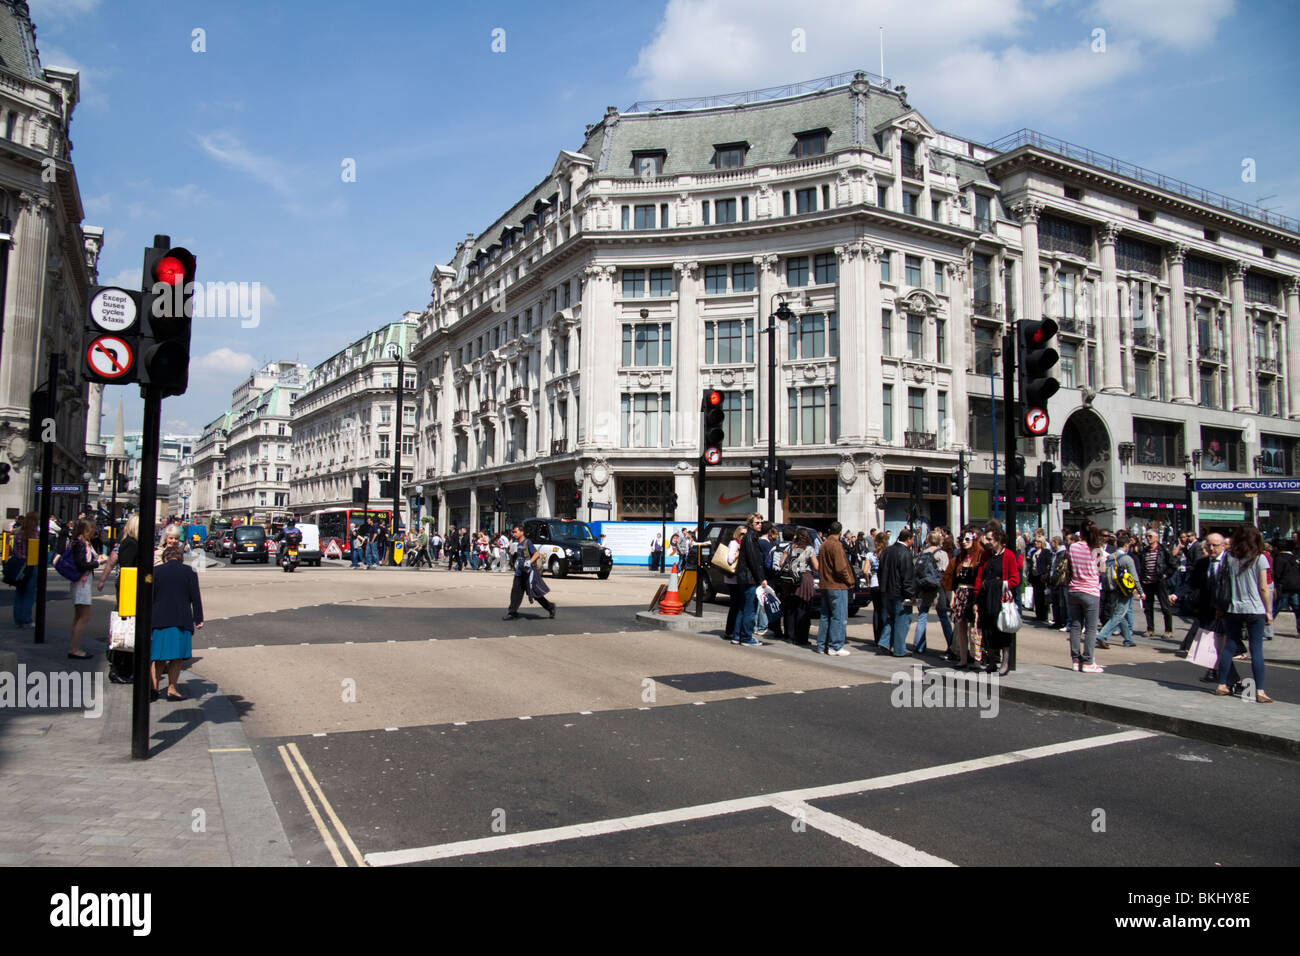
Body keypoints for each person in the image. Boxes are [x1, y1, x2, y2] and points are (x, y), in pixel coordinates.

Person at [1214, 526, 1273, 702]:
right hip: (1255, 609)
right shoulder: (1260, 558)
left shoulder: (1229, 557)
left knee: (1230, 646)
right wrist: (1269, 611)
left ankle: (1222, 684)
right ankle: (1260, 691)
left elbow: (1222, 582)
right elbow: (1264, 587)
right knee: (1256, 649)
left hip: (1233, 608)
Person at [149, 543, 204, 702]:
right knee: (176, 658)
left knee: (157, 657)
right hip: (181, 620)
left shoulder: (156, 571)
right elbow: (195, 597)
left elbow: (150, 597)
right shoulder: (189, 572)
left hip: (159, 620)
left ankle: (153, 688)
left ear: (164, 558)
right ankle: (172, 688)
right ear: (180, 558)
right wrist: (198, 618)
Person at [98, 515, 141, 683]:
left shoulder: (130, 543)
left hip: (128, 586)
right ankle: (118, 668)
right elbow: (128, 569)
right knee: (125, 628)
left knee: (127, 627)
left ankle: (124, 667)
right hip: (128, 588)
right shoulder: (130, 544)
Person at [974, 527, 1020, 675]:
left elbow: (1015, 579)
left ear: (998, 540)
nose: (987, 542)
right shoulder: (986, 555)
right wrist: (976, 597)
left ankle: (1005, 661)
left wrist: (1000, 583)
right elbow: (980, 576)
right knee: (987, 630)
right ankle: (992, 660)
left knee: (1002, 629)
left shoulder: (1008, 556)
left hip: (1000, 599)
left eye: (990, 539)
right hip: (986, 597)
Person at [1066, 520, 1105, 673]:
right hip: (1091, 591)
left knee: (1076, 626)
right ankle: (1088, 661)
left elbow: (1071, 564)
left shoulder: (1073, 547)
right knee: (1090, 628)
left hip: (1074, 589)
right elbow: (1101, 569)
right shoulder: (1097, 550)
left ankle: (1076, 660)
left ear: (1080, 532)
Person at [812, 521, 855, 655]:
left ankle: (821, 645)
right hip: (837, 585)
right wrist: (850, 580)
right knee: (839, 616)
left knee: (825, 616)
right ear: (840, 532)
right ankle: (835, 646)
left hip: (825, 584)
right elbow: (841, 568)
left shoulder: (823, 545)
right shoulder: (836, 545)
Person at [67, 519, 107, 660]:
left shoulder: (84, 542)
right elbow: (81, 564)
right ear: (85, 529)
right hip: (81, 583)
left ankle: (74, 646)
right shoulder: (80, 543)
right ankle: (74, 648)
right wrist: (98, 563)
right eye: (92, 528)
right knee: (84, 616)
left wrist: (97, 559)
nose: (94, 531)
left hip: (82, 582)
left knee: (79, 616)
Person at [944, 529, 983, 668]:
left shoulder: (979, 557)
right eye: (963, 540)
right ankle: (963, 658)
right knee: (961, 628)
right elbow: (954, 581)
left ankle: (977, 659)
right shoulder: (960, 558)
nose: (964, 542)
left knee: (975, 629)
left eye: (967, 539)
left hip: (973, 594)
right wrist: (953, 598)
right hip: (960, 593)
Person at [1097, 531, 1143, 647]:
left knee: (1120, 613)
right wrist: (1141, 592)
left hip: (1113, 588)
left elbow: (1102, 571)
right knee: (1119, 614)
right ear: (1127, 545)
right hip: (1125, 589)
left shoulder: (1110, 557)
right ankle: (1102, 635)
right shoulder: (1127, 558)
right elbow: (1134, 576)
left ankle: (1128, 639)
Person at [911, 530, 952, 655]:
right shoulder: (941, 553)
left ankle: (919, 646)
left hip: (924, 587)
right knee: (943, 617)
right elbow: (946, 571)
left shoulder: (923, 553)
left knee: (922, 616)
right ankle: (951, 645)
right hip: (938, 588)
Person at [876, 528, 916, 657]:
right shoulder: (905, 553)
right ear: (909, 539)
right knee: (903, 620)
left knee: (891, 618)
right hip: (900, 592)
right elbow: (907, 576)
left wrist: (883, 587)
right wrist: (910, 594)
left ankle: (884, 643)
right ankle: (899, 649)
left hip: (887, 590)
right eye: (912, 539)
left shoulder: (887, 550)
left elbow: (880, 571)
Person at [503, 525, 555, 620]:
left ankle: (550, 607)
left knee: (535, 593)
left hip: (528, 573)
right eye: (513, 532)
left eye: (515, 532)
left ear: (521, 532)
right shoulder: (518, 543)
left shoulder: (527, 542)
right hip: (519, 573)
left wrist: (529, 562)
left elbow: (536, 554)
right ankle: (512, 612)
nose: (513, 534)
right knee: (515, 593)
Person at [732, 513, 767, 647]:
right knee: (749, 609)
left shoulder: (748, 537)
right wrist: (761, 578)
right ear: (750, 524)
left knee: (742, 607)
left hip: (744, 577)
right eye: (757, 522)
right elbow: (754, 560)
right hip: (749, 578)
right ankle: (746, 636)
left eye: (760, 522)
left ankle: (737, 635)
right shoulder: (751, 537)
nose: (760, 525)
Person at [1135, 529, 1175, 641]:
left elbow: (1173, 565)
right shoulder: (1144, 551)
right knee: (1147, 607)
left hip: (1159, 582)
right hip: (1147, 582)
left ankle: (1168, 630)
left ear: (1156, 538)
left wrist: (1165, 575)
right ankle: (1150, 629)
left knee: (1165, 606)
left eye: (1150, 536)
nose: (1148, 538)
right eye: (1147, 536)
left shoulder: (1163, 550)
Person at [780, 530, 817, 647]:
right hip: (803, 579)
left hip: (789, 581)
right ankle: (801, 638)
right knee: (803, 609)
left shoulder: (790, 547)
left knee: (791, 609)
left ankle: (790, 635)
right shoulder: (809, 549)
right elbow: (816, 566)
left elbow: (781, 562)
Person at [10, 511, 39, 628]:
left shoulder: (18, 533)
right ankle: (26, 618)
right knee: (29, 593)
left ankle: (18, 618)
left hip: (18, 564)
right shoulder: (34, 534)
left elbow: (15, 550)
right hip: (30, 565)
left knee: (19, 593)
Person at [720, 525, 745, 643]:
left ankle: (732, 630)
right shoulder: (734, 544)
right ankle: (729, 630)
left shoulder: (739, 544)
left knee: (737, 605)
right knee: (735, 605)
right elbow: (730, 559)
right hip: (733, 579)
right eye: (742, 534)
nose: (744, 537)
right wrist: (739, 553)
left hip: (737, 579)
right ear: (737, 534)